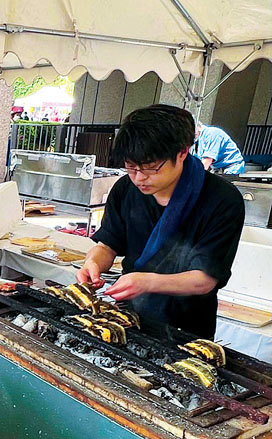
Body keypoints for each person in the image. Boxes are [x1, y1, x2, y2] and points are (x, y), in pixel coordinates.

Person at [76, 104, 244, 339]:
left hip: (187, 326)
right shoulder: (125, 189)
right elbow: (107, 245)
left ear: (182, 152)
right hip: (128, 317)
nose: (139, 178)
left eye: (151, 167)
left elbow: (204, 280)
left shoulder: (222, 199)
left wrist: (147, 282)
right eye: (131, 167)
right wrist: (92, 263)